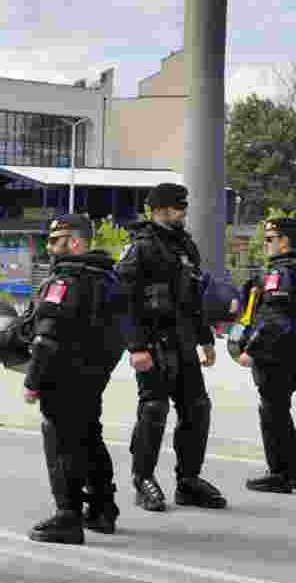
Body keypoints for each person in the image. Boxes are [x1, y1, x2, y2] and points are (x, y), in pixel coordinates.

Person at [116, 182, 226, 512]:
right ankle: (143, 479)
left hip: (184, 343)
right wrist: (136, 346)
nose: (184, 213)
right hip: (153, 342)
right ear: (162, 209)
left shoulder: (184, 246)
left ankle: (188, 480)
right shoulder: (141, 248)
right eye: (179, 207)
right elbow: (123, 301)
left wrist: (205, 338)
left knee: (197, 408)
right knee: (154, 410)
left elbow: (193, 300)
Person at [23, 215, 125, 543]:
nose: (50, 248)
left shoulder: (65, 280)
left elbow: (46, 336)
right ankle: (102, 508)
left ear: (76, 243)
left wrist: (32, 380)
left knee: (60, 439)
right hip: (95, 373)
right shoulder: (107, 277)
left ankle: (67, 515)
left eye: (56, 241)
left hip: (63, 372)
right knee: (89, 436)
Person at [233, 218, 296, 494]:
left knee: (273, 412)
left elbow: (274, 319)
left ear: (285, 241)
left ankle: (281, 473)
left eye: (270, 239)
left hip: (278, 354)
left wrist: (251, 350)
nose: (266, 244)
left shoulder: (280, 273)